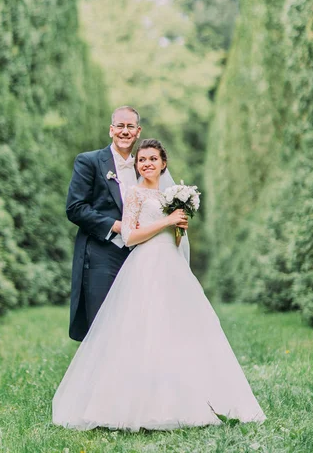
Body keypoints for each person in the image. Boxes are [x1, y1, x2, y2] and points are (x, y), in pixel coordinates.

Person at [53, 139, 266, 430]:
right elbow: (129, 236)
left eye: (153, 159)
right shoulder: (135, 193)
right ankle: (132, 403)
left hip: (172, 267)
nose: (147, 164)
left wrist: (180, 228)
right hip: (145, 266)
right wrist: (167, 222)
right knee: (144, 329)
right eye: (141, 160)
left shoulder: (172, 195)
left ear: (163, 162)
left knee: (181, 330)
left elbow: (176, 241)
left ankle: (187, 398)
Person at [65, 106, 141, 341]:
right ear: (111, 130)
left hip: (139, 257)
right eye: (120, 126)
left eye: (130, 127)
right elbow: (75, 208)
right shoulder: (89, 161)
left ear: (138, 132)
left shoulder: (145, 166)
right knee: (102, 325)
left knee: (135, 323)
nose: (125, 131)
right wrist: (116, 226)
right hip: (101, 254)